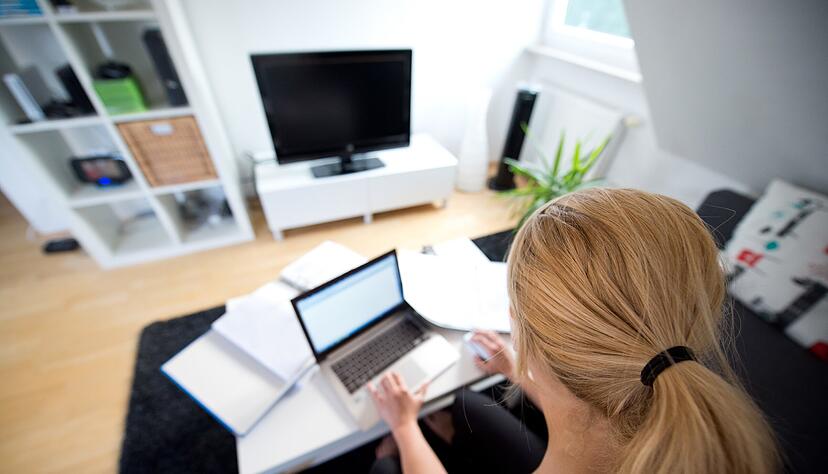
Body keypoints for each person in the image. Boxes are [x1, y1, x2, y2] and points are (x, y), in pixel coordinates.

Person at [367, 188, 779, 473]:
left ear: (518, 326)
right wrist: (514, 372)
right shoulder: (661, 401)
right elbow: (588, 403)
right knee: (465, 407)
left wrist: (403, 430)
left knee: (387, 464)